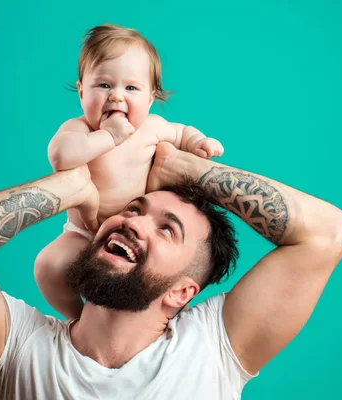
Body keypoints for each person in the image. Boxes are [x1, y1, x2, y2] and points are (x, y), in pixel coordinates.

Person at [0, 142, 342, 399]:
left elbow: (327, 233)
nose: (133, 222)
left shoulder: (212, 350)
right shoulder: (18, 350)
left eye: (167, 229)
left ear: (182, 292)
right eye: (134, 210)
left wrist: (185, 168)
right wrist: (73, 185)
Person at [35, 24, 224, 319]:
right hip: (85, 231)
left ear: (150, 99)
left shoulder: (151, 128)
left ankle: (145, 324)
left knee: (158, 280)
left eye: (131, 88)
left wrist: (199, 142)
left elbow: (182, 132)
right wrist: (108, 137)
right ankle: (77, 317)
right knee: (49, 265)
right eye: (104, 85)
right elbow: (61, 157)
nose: (116, 97)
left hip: (138, 230)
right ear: (82, 91)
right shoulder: (81, 129)